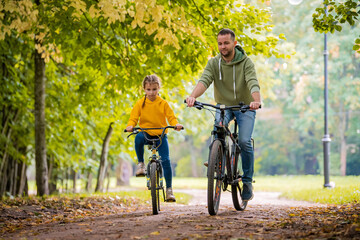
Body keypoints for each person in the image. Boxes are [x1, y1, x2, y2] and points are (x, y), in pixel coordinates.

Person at [186, 28, 261, 201]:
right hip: (224, 107)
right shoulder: (214, 63)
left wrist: (256, 100)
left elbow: (252, 82)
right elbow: (204, 81)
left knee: (243, 141)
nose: (223, 47)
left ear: (234, 43)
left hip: (245, 107)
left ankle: (247, 181)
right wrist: (192, 96)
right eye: (220, 43)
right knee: (218, 129)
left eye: (226, 43)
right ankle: (215, 160)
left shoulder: (246, 63)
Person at [126, 74, 183, 202]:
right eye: (148, 89)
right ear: (144, 89)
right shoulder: (140, 103)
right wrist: (130, 126)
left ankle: (169, 190)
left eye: (154, 89)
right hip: (146, 133)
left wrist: (176, 124)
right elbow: (133, 118)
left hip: (160, 135)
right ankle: (140, 164)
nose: (151, 92)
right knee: (138, 138)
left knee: (166, 161)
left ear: (159, 89)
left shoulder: (163, 103)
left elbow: (171, 117)